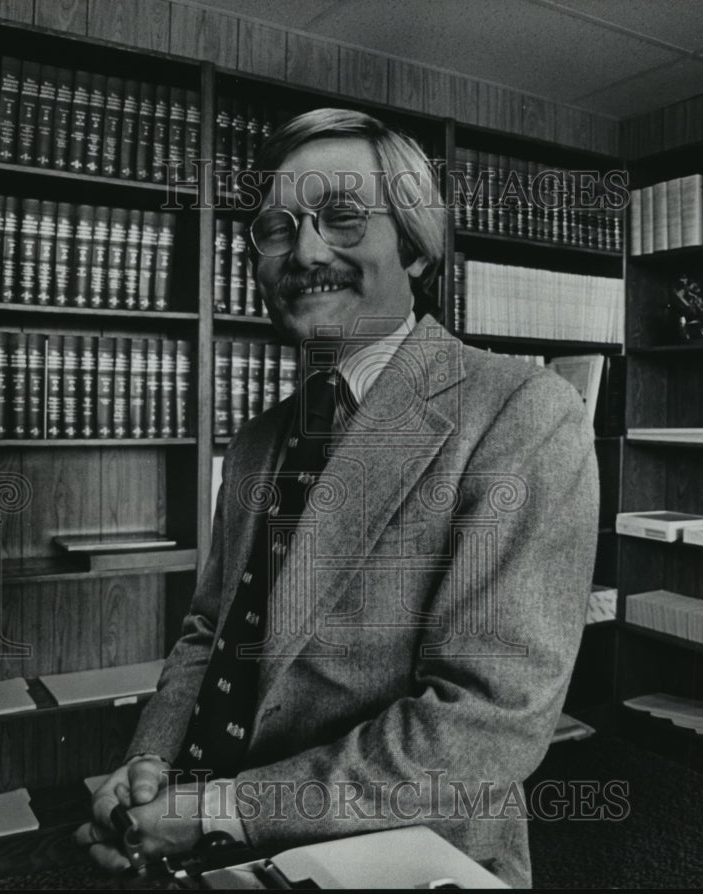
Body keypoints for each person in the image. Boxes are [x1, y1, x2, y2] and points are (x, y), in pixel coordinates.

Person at [76, 107, 599, 888]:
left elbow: (484, 725)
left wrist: (217, 810)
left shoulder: (522, 411)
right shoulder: (258, 439)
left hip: (403, 852)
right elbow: (210, 630)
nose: (307, 251)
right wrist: (150, 766)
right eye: (278, 228)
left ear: (417, 249)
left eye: (344, 217)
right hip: (213, 835)